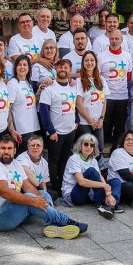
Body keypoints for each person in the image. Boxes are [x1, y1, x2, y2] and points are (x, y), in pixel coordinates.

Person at [0, 135, 87, 237]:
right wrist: (34, 201)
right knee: (30, 198)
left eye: (9, 148)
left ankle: (52, 223)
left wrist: (41, 200)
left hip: (12, 211)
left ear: (15, 151)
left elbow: (28, 187)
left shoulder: (16, 164)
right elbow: (6, 193)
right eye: (3, 148)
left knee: (43, 193)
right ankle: (66, 221)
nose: (6, 151)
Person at [39, 59, 79, 192]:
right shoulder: (49, 87)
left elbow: (75, 106)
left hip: (70, 130)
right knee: (54, 160)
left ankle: (63, 185)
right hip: (55, 132)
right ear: (56, 68)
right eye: (60, 67)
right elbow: (44, 111)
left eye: (66, 67)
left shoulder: (73, 86)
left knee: (65, 159)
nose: (63, 70)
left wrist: (77, 121)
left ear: (70, 70)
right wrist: (51, 130)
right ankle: (55, 188)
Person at [61, 133, 118, 217]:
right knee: (91, 171)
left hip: (87, 194)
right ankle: (100, 204)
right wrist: (104, 185)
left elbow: (100, 177)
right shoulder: (74, 158)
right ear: (80, 145)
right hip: (73, 196)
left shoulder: (93, 160)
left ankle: (112, 202)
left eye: (92, 145)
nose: (89, 147)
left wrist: (108, 193)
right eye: (86, 144)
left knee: (116, 181)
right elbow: (81, 182)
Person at [97, 28, 131, 152]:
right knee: (105, 124)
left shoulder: (127, 56)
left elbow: (128, 75)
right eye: (112, 38)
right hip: (107, 97)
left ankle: (116, 149)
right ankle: (102, 149)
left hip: (122, 96)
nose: (114, 41)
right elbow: (98, 76)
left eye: (117, 38)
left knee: (120, 125)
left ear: (122, 40)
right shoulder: (101, 56)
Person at [74, 51, 106, 149]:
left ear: (96, 62)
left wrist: (101, 119)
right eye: (86, 60)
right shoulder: (79, 81)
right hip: (85, 122)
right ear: (83, 63)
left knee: (100, 148)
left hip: (98, 121)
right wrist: (91, 121)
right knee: (87, 148)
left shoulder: (101, 79)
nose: (89, 63)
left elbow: (104, 100)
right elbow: (79, 104)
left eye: (92, 60)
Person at [7, 56, 40, 146]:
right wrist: (12, 129)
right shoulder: (12, 84)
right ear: (15, 67)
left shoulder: (28, 83)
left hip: (33, 126)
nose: (22, 67)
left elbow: (31, 102)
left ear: (29, 68)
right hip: (21, 129)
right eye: (19, 65)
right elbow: (8, 109)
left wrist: (40, 90)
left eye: (25, 65)